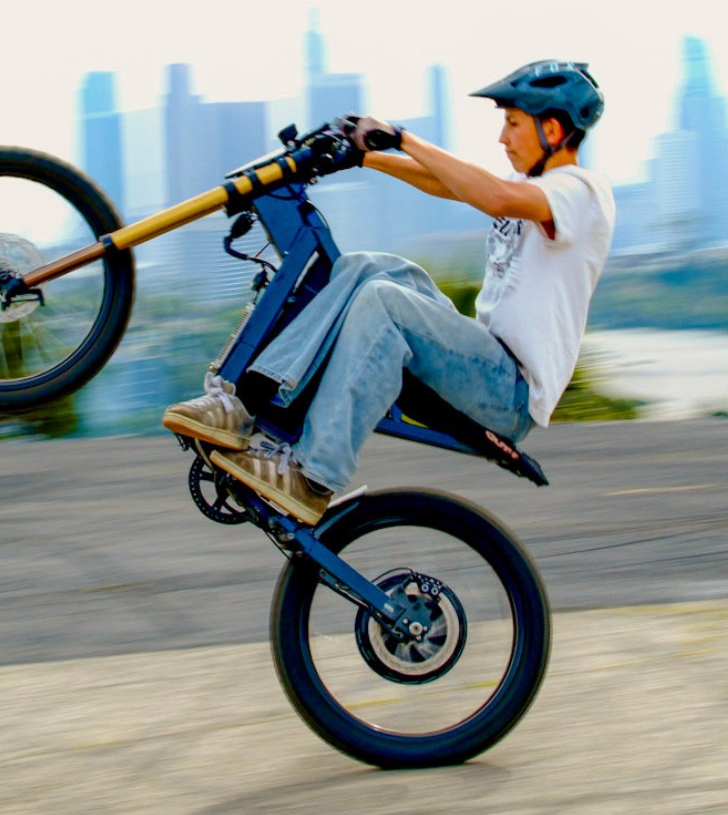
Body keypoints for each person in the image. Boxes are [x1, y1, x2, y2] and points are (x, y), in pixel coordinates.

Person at [162, 60, 616, 525]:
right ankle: (242, 402)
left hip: (509, 390)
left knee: (385, 303)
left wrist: (402, 138)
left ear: (554, 130)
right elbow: (451, 184)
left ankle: (313, 474)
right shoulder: (532, 185)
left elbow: (494, 197)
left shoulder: (581, 192)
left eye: (513, 123)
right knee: (369, 268)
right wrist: (365, 156)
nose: (503, 137)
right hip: (481, 360)